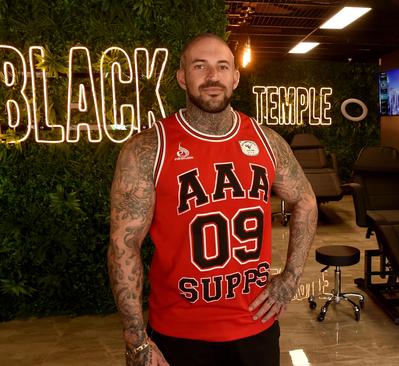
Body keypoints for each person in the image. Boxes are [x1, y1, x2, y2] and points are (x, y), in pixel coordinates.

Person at [107, 33, 318, 366]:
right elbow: (124, 246)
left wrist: (290, 277)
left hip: (256, 326)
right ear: (181, 77)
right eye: (199, 66)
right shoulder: (147, 149)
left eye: (222, 66)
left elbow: (305, 201)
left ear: (235, 77)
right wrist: (136, 339)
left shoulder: (267, 141)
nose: (212, 76)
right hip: (179, 333)